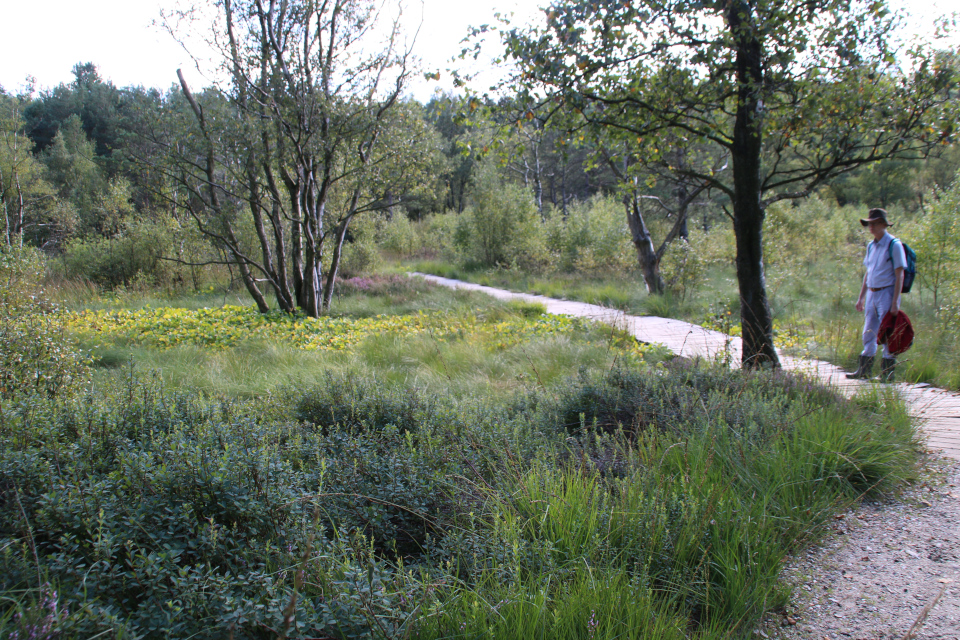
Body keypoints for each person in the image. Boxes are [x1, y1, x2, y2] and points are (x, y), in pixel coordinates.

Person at [847, 208, 906, 381]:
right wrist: (861, 297)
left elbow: (899, 274)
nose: (870, 227)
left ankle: (887, 374)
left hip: (887, 293)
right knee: (869, 331)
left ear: (882, 224)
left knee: (887, 331)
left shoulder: (894, 244)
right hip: (872, 293)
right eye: (869, 224)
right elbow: (869, 272)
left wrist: (895, 302)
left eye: (873, 224)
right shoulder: (871, 246)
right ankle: (864, 371)